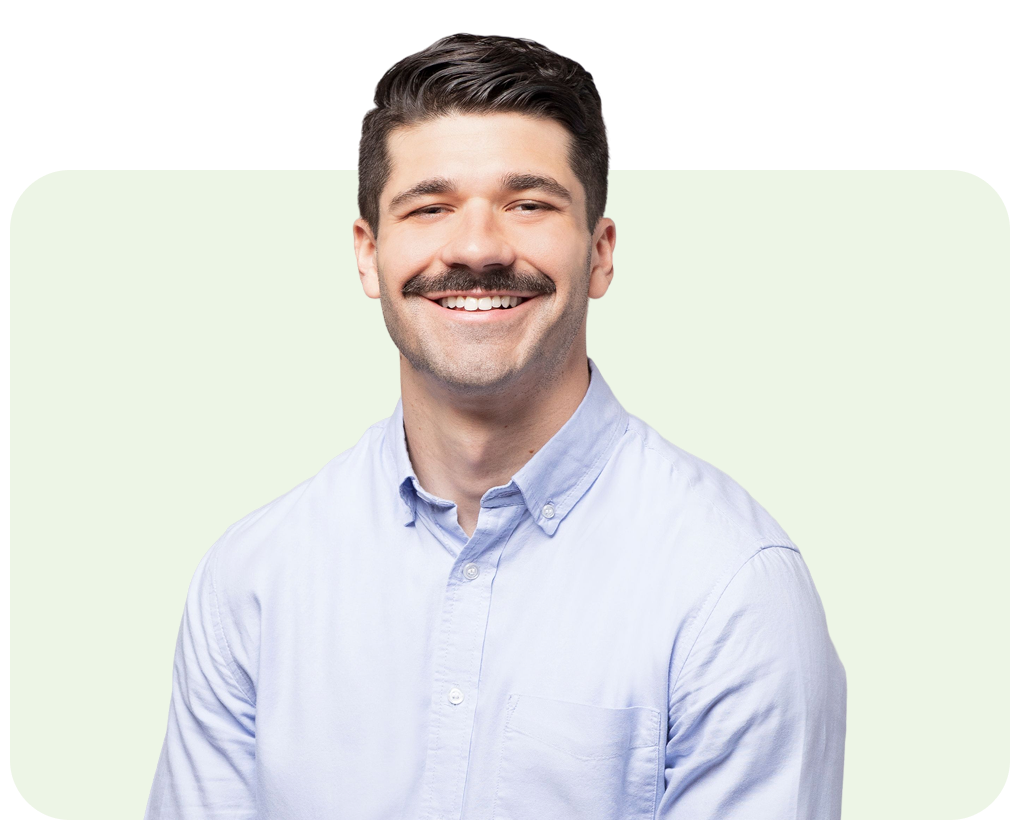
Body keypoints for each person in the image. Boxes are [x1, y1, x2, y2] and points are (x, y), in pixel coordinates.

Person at [144, 34, 846, 820]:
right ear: (369, 256)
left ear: (600, 254)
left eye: (529, 204)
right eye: (430, 207)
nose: (477, 247)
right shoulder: (252, 581)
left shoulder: (733, 588)